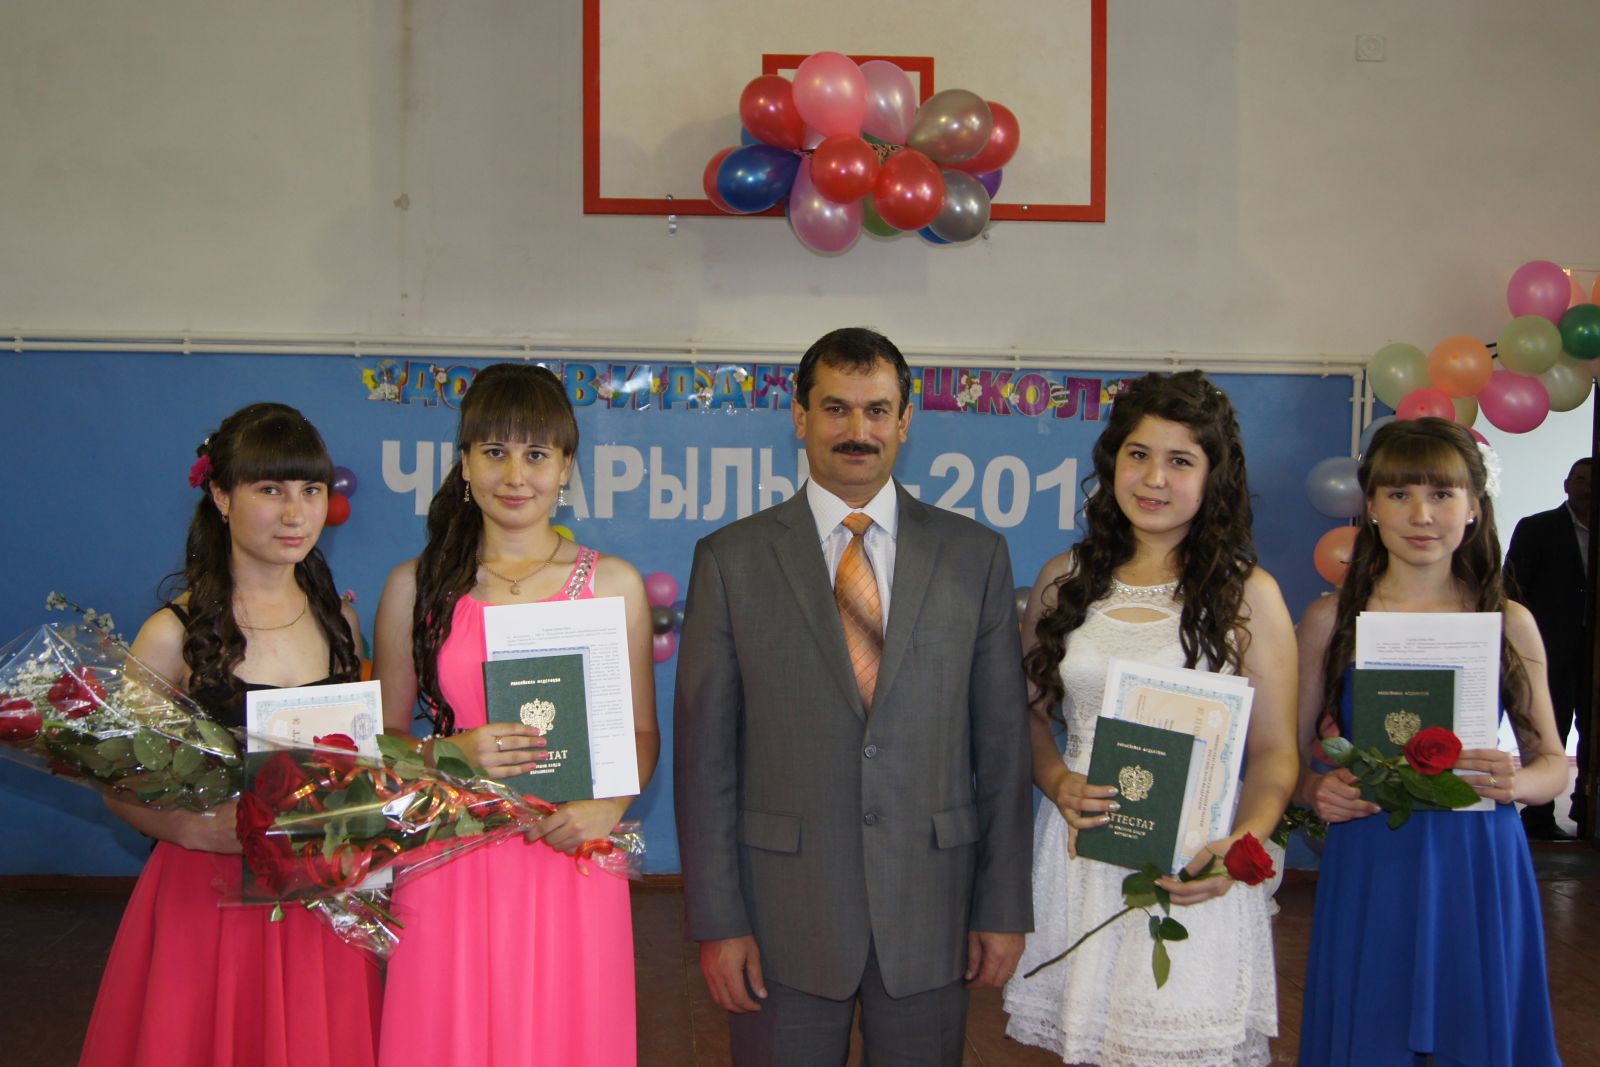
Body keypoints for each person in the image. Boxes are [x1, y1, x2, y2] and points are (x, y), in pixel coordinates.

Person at [674, 327, 1033, 1066]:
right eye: (836, 408)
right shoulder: (731, 560)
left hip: (932, 912)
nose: (857, 430)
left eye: (877, 410)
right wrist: (719, 920)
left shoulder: (975, 557)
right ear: (799, 416)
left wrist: (1002, 906)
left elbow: (1003, 747)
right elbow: (704, 760)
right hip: (781, 918)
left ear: (906, 421)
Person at [1002, 371, 1299, 1067]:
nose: (1154, 478)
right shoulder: (1063, 580)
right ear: (1112, 463)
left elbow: (1276, 753)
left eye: (1180, 460)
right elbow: (1029, 717)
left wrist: (1239, 847)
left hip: (1195, 859)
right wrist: (1056, 780)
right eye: (1138, 454)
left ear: (1214, 477)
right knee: (1084, 1043)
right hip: (1081, 850)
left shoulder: (1248, 594)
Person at [372, 362, 658, 1067]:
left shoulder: (611, 584)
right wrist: (451, 752)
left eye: (536, 454)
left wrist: (608, 806)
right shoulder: (415, 586)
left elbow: (640, 733)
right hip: (448, 854)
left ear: (566, 468)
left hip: (570, 853)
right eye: (495, 451)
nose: (515, 475)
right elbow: (382, 741)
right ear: (465, 462)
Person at [79, 403, 381, 1067]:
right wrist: (191, 829)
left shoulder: (341, 623)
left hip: (318, 897)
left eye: (310, 490)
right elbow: (116, 787)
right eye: (270, 489)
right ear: (221, 496)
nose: (295, 513)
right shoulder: (171, 635)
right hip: (207, 897)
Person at [1295, 417, 1566, 1066]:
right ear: (1371, 506)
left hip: (1478, 856)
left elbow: (1556, 764)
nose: (1421, 515)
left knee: (1477, 1032)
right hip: (1372, 854)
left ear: (1474, 506)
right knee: (1372, 1028)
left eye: (1442, 494)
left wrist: (1519, 782)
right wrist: (1316, 788)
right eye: (1399, 494)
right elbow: (1291, 756)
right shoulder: (1330, 620)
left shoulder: (1509, 621)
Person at [1505, 456, 1592, 840]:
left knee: (1593, 729)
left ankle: (1587, 808)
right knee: (1548, 725)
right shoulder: (1538, 528)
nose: (1588, 487)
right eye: (1580, 479)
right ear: (1567, 485)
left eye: (1594, 480)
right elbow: (1512, 586)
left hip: (1594, 652)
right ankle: (1538, 819)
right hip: (1548, 647)